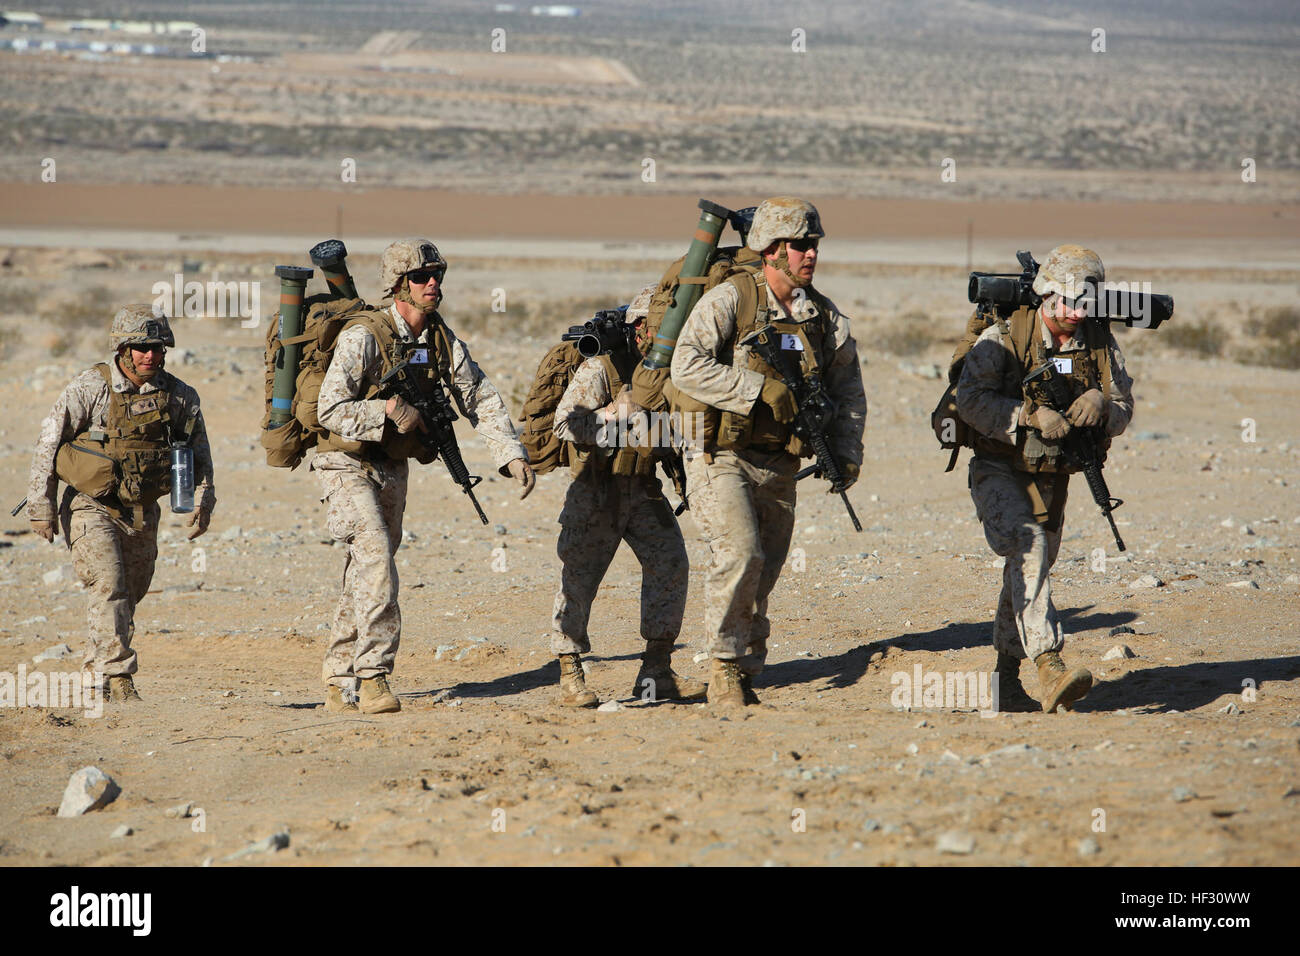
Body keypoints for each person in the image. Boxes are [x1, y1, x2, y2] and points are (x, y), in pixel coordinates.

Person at [313, 238, 533, 715]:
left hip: (391, 465)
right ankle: (372, 677)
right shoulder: (364, 336)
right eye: (420, 277)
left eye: (437, 275)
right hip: (345, 463)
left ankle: (337, 678)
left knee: (367, 570)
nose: (433, 284)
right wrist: (387, 410)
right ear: (398, 285)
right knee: (375, 562)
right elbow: (328, 408)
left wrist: (509, 454)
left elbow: (479, 395)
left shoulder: (438, 338)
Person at [669, 197, 866, 709]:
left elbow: (849, 390)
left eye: (815, 245)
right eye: (801, 245)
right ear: (772, 250)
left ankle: (749, 664)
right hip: (720, 455)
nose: (811, 255)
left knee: (768, 567)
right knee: (741, 554)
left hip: (782, 461)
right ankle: (724, 667)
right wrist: (755, 390)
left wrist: (847, 452)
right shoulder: (731, 300)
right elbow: (685, 365)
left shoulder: (820, 315)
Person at [956, 244, 1135, 713]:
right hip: (998, 465)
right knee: (1028, 546)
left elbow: (1123, 406)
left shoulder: (1097, 342)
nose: (1075, 313)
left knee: (1028, 567)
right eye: (1066, 302)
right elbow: (969, 401)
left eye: (1084, 303)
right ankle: (1049, 664)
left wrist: (1103, 406)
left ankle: (1005, 678)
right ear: (1045, 294)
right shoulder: (1004, 337)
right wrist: (1028, 415)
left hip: (1054, 474)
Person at [27, 305, 216, 702]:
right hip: (90, 506)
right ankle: (119, 678)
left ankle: (95, 674)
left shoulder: (179, 396)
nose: (152, 356)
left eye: (159, 348)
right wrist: (40, 506)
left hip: (144, 511)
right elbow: (48, 441)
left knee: (129, 593)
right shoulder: (90, 386)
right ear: (123, 349)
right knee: (109, 585)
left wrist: (204, 500)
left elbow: (199, 451)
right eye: (142, 348)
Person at [549, 293, 704, 707]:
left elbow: (681, 432)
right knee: (579, 578)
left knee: (670, 563)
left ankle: (656, 671)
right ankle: (570, 672)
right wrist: (613, 416)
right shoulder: (601, 368)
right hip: (596, 488)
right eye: (654, 325)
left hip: (642, 487)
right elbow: (565, 424)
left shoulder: (668, 371)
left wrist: (659, 428)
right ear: (638, 328)